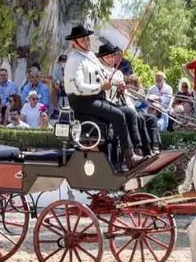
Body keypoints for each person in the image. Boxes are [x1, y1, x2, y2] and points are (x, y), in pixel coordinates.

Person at [64, 24, 142, 168]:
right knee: (118, 115)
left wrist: (118, 84)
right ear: (74, 43)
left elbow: (104, 73)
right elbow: (78, 87)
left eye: (87, 38)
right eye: (82, 40)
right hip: (83, 101)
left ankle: (139, 151)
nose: (87, 41)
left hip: (97, 98)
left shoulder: (90, 56)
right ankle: (130, 158)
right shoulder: (74, 60)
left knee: (129, 113)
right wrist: (100, 87)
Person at [95, 42, 160, 156]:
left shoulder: (118, 73)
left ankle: (153, 147)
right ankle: (138, 149)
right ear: (101, 58)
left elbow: (124, 95)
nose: (111, 59)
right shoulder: (100, 71)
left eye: (112, 56)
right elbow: (102, 91)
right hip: (109, 104)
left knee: (151, 118)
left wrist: (122, 89)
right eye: (108, 57)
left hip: (121, 104)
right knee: (134, 115)